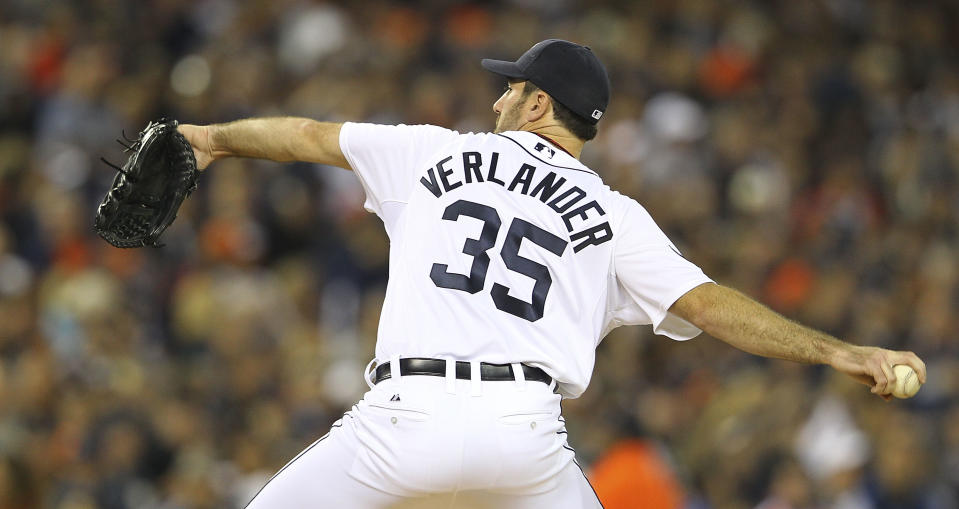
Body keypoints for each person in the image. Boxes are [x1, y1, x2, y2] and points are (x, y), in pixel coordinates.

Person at [176, 39, 926, 508]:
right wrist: (840, 352)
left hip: (402, 421)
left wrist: (212, 138)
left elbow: (305, 135)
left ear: (537, 103)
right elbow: (710, 305)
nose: (496, 96)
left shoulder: (436, 151)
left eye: (509, 87)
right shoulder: (614, 213)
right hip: (523, 438)